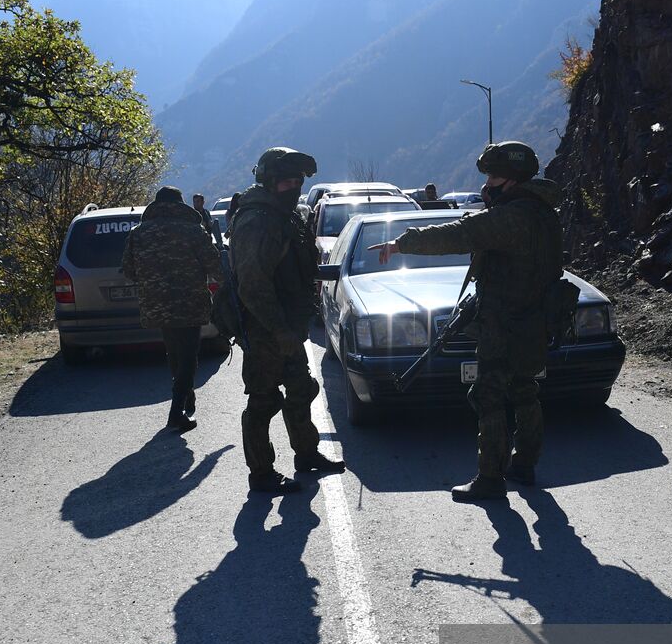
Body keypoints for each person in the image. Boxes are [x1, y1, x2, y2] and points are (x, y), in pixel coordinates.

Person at [371, 141, 563, 502]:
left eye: (492, 176)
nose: (487, 183)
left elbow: (458, 234)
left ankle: (490, 479)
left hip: (505, 322)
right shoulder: (542, 213)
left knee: (488, 395)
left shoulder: (512, 216)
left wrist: (402, 244)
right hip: (534, 320)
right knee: (525, 390)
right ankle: (525, 464)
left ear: (511, 179)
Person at [230, 147, 345, 494]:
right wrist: (277, 329)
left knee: (301, 389)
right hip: (266, 328)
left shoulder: (284, 215)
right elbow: (252, 282)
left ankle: (307, 453)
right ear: (268, 181)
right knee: (264, 400)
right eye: (286, 182)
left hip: (289, 326)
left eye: (298, 182)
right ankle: (261, 474)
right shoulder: (257, 220)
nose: (294, 187)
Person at [121, 186, 220, 432]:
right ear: (180, 205)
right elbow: (215, 267)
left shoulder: (139, 233)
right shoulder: (193, 231)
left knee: (175, 353)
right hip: (190, 303)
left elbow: (129, 270)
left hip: (157, 305)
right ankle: (177, 411)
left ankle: (185, 395)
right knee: (188, 357)